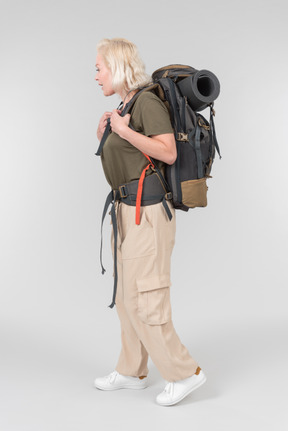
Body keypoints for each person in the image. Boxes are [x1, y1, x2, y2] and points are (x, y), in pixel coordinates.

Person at [93, 38, 206, 406]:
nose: (96, 76)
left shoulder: (147, 101)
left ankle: (185, 374)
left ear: (117, 66)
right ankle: (131, 371)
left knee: (146, 297)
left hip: (148, 212)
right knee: (127, 298)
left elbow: (168, 152)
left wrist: (123, 132)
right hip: (127, 211)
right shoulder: (124, 105)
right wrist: (106, 134)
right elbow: (128, 156)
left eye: (99, 68)